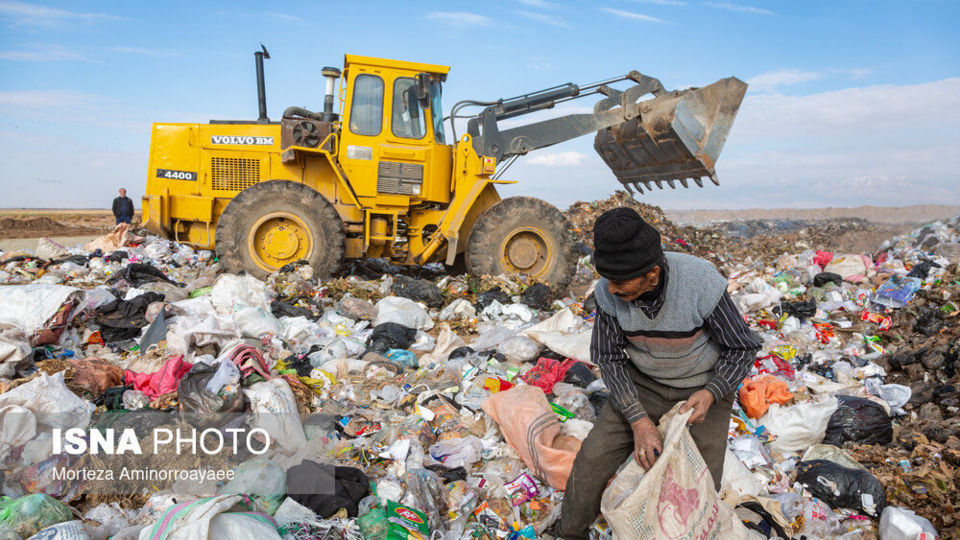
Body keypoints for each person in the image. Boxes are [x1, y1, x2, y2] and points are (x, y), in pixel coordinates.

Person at [555, 207, 761, 539]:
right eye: (609, 280)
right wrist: (638, 420)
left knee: (699, 481)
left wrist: (712, 392)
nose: (612, 290)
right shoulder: (609, 296)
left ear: (652, 273)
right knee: (592, 459)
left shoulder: (700, 281)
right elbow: (608, 357)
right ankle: (569, 533)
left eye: (621, 282)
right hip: (643, 384)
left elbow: (742, 347)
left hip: (702, 388)